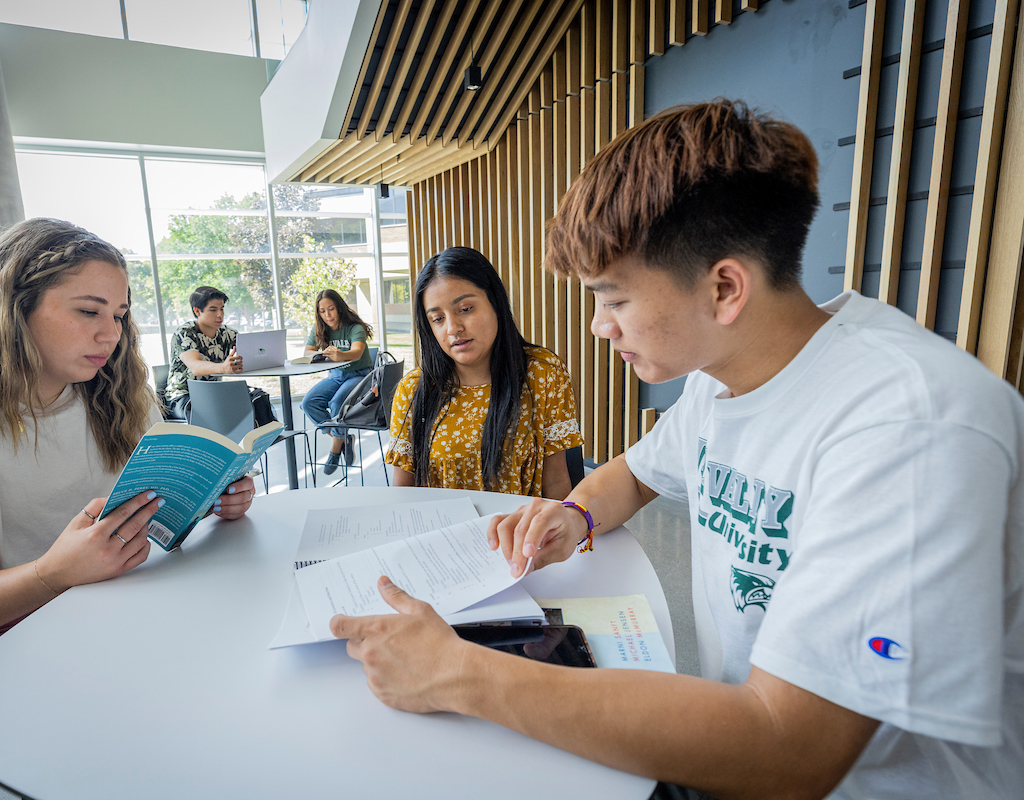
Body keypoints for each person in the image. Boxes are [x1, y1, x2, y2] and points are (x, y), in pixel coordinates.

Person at [330, 101, 1023, 799]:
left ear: (724, 288)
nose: (599, 327)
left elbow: (794, 751)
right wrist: (572, 517)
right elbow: (630, 476)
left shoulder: (910, 427)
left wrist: (460, 674)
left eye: (615, 300)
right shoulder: (721, 382)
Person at [0, 218, 257, 761]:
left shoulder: (116, 395)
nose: (111, 334)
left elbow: (139, 516)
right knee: (161, 717)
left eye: (119, 315)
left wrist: (206, 497)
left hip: (102, 604)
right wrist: (49, 575)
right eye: (88, 311)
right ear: (11, 306)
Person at [386, 247, 582, 498]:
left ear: (495, 302)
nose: (453, 328)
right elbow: (403, 495)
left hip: (521, 534)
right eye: (437, 319)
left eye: (465, 309)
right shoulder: (414, 390)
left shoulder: (543, 374)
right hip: (443, 534)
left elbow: (555, 481)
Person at [164, 285, 276, 427]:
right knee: (210, 410)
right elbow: (195, 366)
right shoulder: (185, 333)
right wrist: (223, 368)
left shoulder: (226, 333)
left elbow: (252, 348)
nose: (220, 315)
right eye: (213, 310)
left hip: (213, 395)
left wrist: (265, 354)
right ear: (197, 311)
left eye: (222, 308)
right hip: (182, 397)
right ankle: (224, 446)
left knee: (258, 397)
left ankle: (261, 441)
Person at [300, 289, 374, 474]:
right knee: (308, 403)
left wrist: (340, 355)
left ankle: (335, 449)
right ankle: (343, 438)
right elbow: (307, 352)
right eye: (322, 311)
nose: (327, 315)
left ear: (339, 308)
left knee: (337, 402)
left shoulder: (354, 327)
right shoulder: (320, 329)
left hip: (359, 375)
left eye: (331, 309)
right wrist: (321, 353)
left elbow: (356, 352)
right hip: (335, 376)